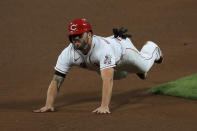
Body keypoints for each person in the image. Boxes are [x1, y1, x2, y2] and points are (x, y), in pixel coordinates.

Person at [33, 18, 163, 114]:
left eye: (79, 35)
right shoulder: (68, 53)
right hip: (108, 63)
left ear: (89, 35)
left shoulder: (103, 50)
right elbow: (57, 79)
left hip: (123, 50)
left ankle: (152, 48)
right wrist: (48, 104)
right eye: (72, 36)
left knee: (144, 66)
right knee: (120, 75)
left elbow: (107, 79)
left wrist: (104, 106)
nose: (75, 38)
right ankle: (134, 70)